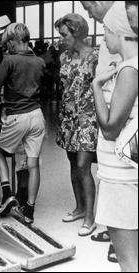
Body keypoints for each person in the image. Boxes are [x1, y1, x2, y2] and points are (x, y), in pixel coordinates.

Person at [0, 22, 46, 224]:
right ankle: (29, 210)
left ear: (12, 41)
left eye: (6, 43)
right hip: (37, 115)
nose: (6, 47)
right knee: (32, 163)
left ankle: (7, 193)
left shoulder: (9, 60)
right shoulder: (39, 61)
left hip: (17, 115)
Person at [92, 1, 138, 271]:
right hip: (129, 174)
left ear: (118, 31)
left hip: (121, 178)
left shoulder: (129, 70)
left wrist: (97, 85)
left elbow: (109, 129)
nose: (104, 38)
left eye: (105, 31)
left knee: (129, 263)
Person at [81, 0, 121, 261]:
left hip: (117, 114)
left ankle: (122, 242)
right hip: (104, 110)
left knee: (121, 180)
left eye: (88, 7)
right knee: (108, 176)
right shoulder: (108, 30)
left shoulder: (120, 29)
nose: (89, 14)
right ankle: (114, 229)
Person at [54, 13, 99, 237]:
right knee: (73, 164)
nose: (61, 39)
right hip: (67, 118)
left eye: (64, 34)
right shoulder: (64, 57)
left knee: (83, 166)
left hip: (88, 118)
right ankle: (80, 208)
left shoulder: (95, 57)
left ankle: (90, 217)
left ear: (77, 32)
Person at [0, 15, 30, 205]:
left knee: (20, 153)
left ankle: (20, 192)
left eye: (0, 38)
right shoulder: (11, 55)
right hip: (13, 108)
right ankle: (19, 192)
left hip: (18, 110)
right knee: (18, 153)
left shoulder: (16, 56)